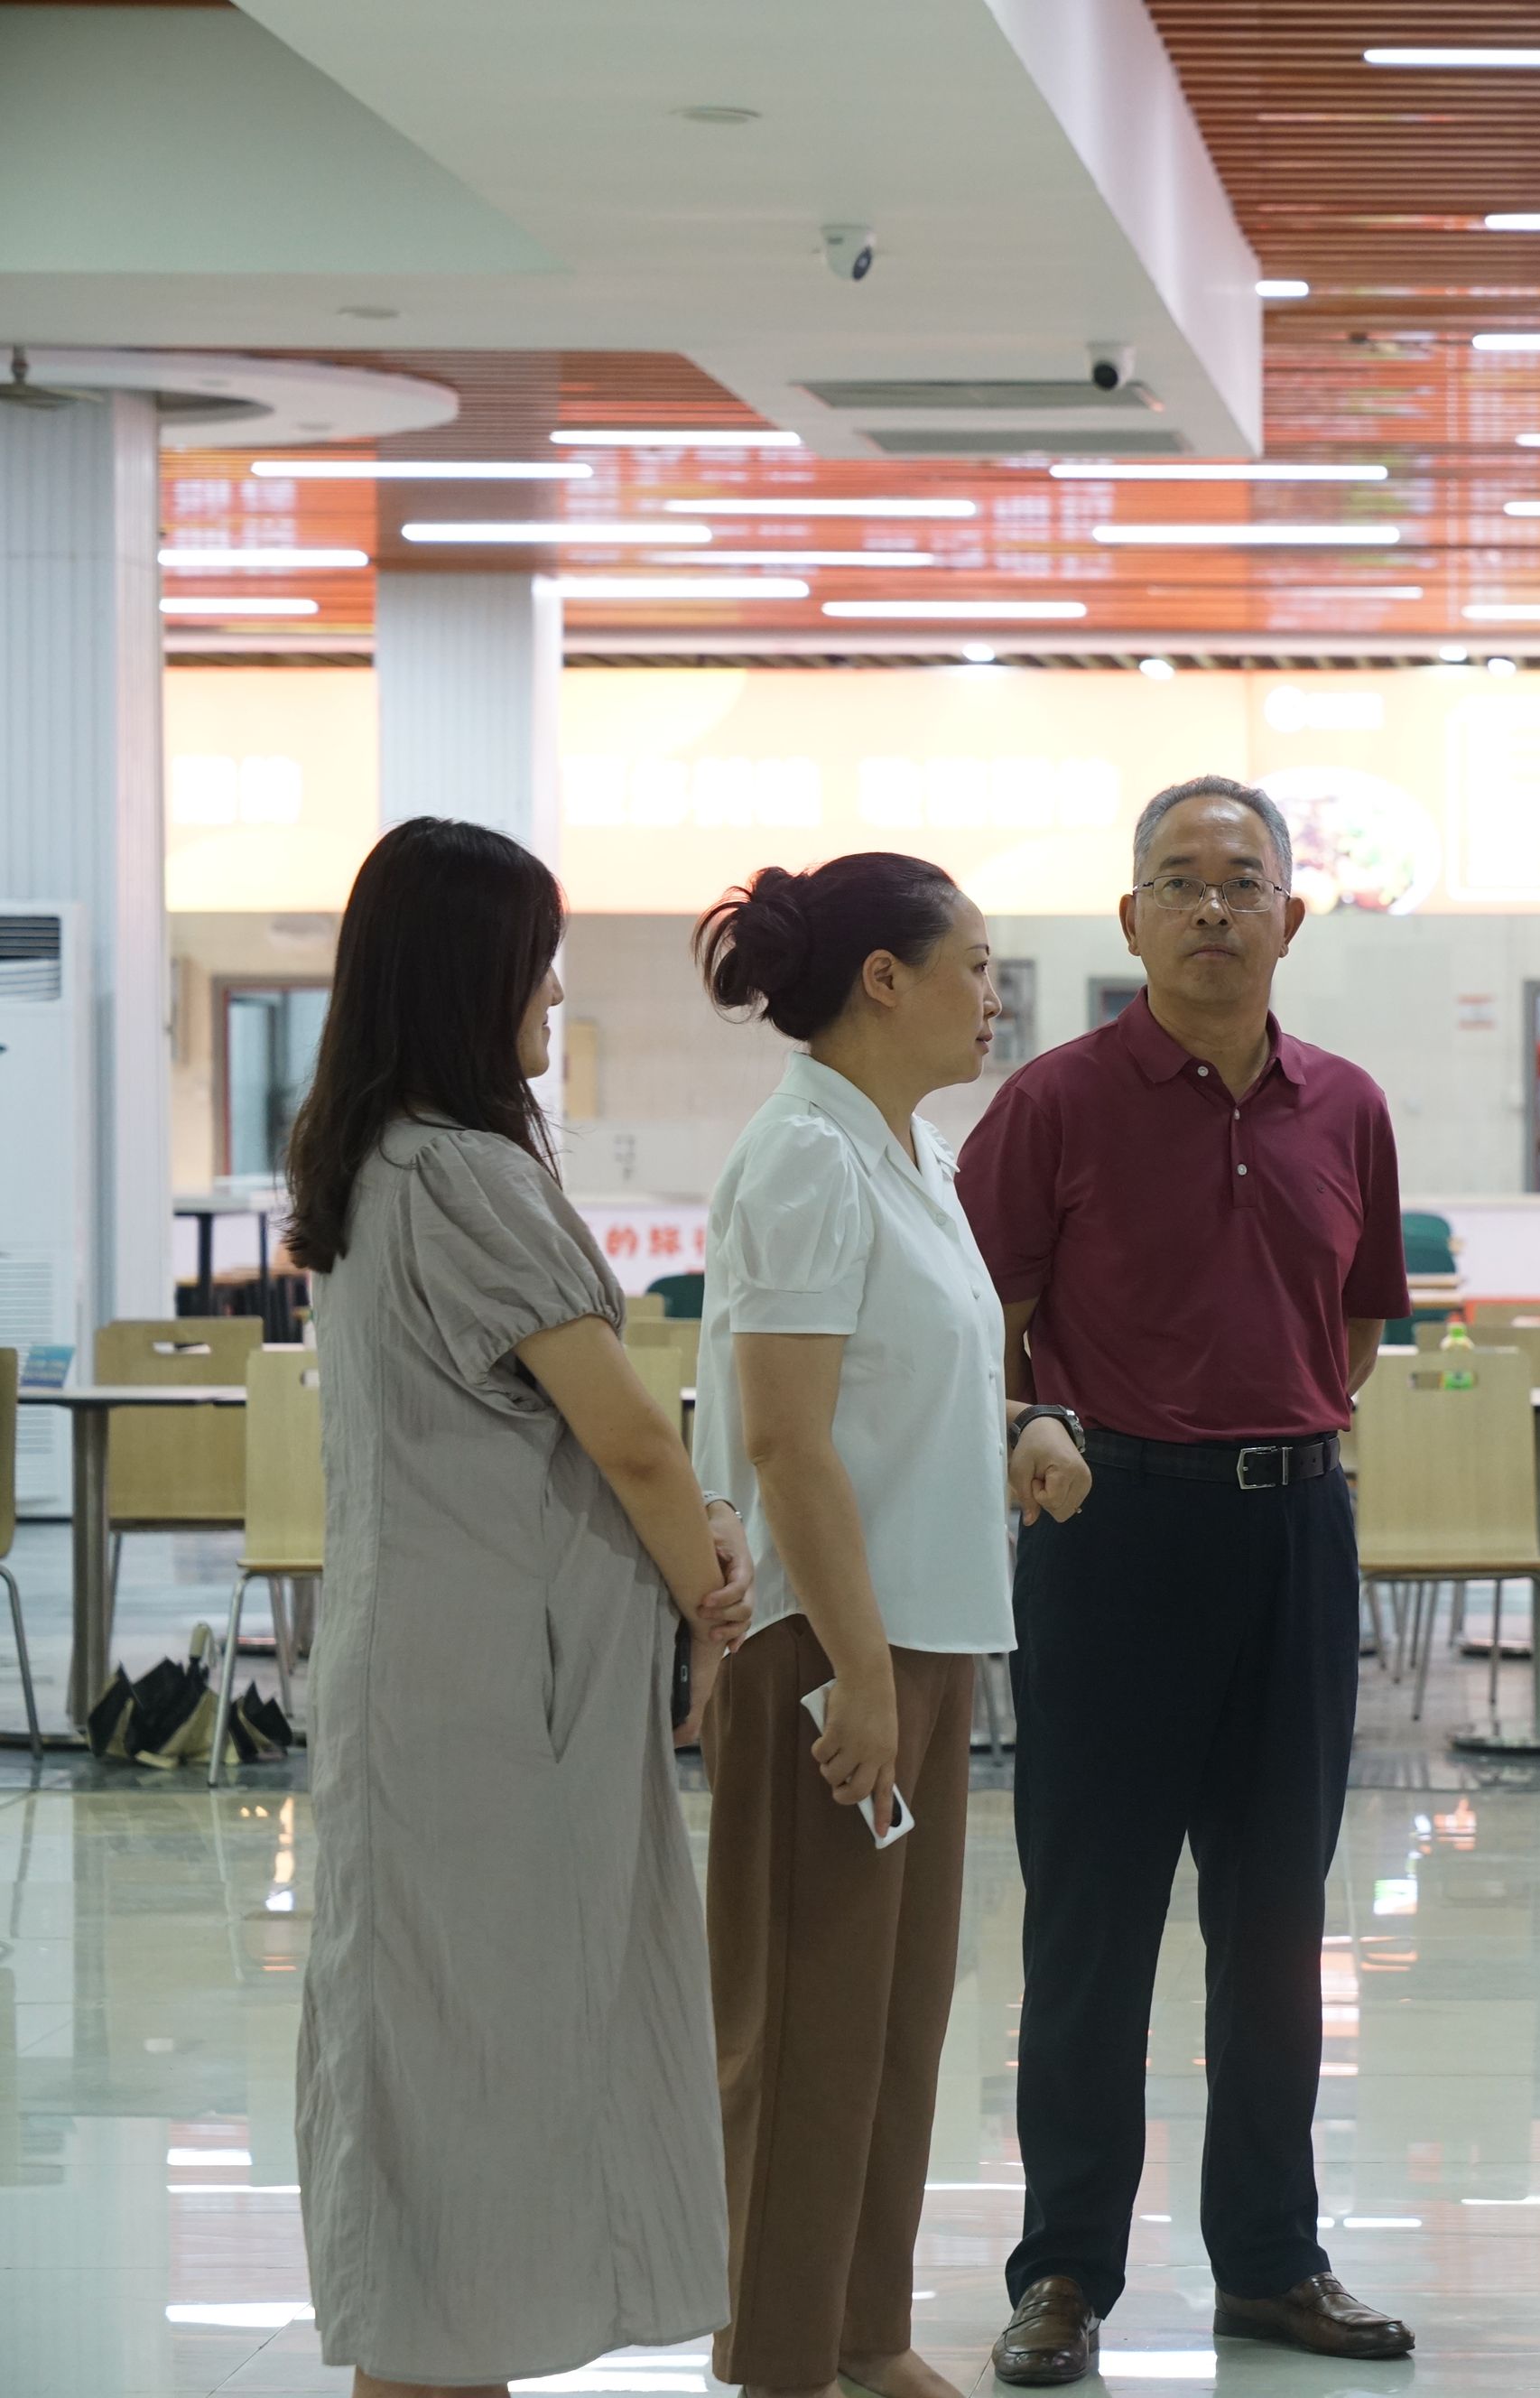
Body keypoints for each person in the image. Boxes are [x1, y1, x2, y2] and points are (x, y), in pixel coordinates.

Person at [281, 816, 749, 2396]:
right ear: (467, 976)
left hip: (420, 1673)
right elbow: (627, 1435)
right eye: (536, 961)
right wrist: (712, 1591)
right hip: (497, 1699)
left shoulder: (370, 1165)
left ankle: (432, 2366)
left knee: (426, 2067)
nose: (555, 990)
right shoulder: (468, 1173)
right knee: (486, 2069)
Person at [960, 775, 1416, 2381]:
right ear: (1130, 916)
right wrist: (1046, 1426)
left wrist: (1265, 1429)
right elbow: (980, 1322)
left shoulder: (1346, 1105)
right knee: (1090, 1925)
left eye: (1241, 880)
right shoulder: (1052, 1104)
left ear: (1291, 916)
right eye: (1178, 879)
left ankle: (1272, 2265)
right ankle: (1062, 2274)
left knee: (1277, 1923)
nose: (1212, 906)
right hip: (1111, 1537)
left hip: (1292, 1533)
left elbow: (1357, 1323)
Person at [688, 856, 1092, 2398]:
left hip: (920, 1634)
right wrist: (855, 1670)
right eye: (973, 966)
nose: (992, 997)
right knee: (801, 2020)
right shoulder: (803, 1158)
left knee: (892, 2018)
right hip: (828, 1643)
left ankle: (862, 2331)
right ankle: (780, 2352)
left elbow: (904, 1385)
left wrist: (1020, 1429)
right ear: (883, 979)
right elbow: (786, 1439)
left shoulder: (908, 1149)